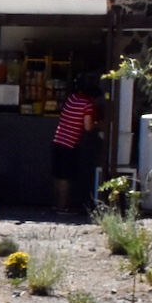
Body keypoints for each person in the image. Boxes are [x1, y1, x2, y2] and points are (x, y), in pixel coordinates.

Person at [52, 76, 99, 211]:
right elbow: (88, 126)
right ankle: (63, 207)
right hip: (69, 144)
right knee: (66, 177)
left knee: (57, 175)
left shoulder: (71, 98)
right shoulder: (88, 105)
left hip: (57, 140)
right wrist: (98, 124)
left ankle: (56, 204)